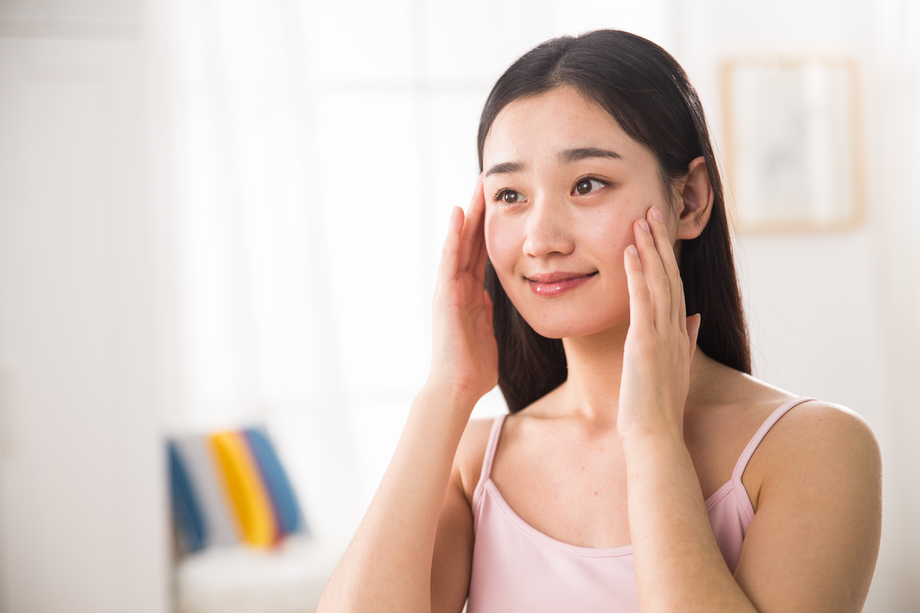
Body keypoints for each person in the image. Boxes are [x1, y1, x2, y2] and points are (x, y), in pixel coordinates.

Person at [316, 29, 882, 613]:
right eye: (510, 195)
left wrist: (653, 437)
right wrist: (446, 391)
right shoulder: (474, 462)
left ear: (689, 200)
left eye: (587, 184)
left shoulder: (813, 446)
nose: (540, 240)